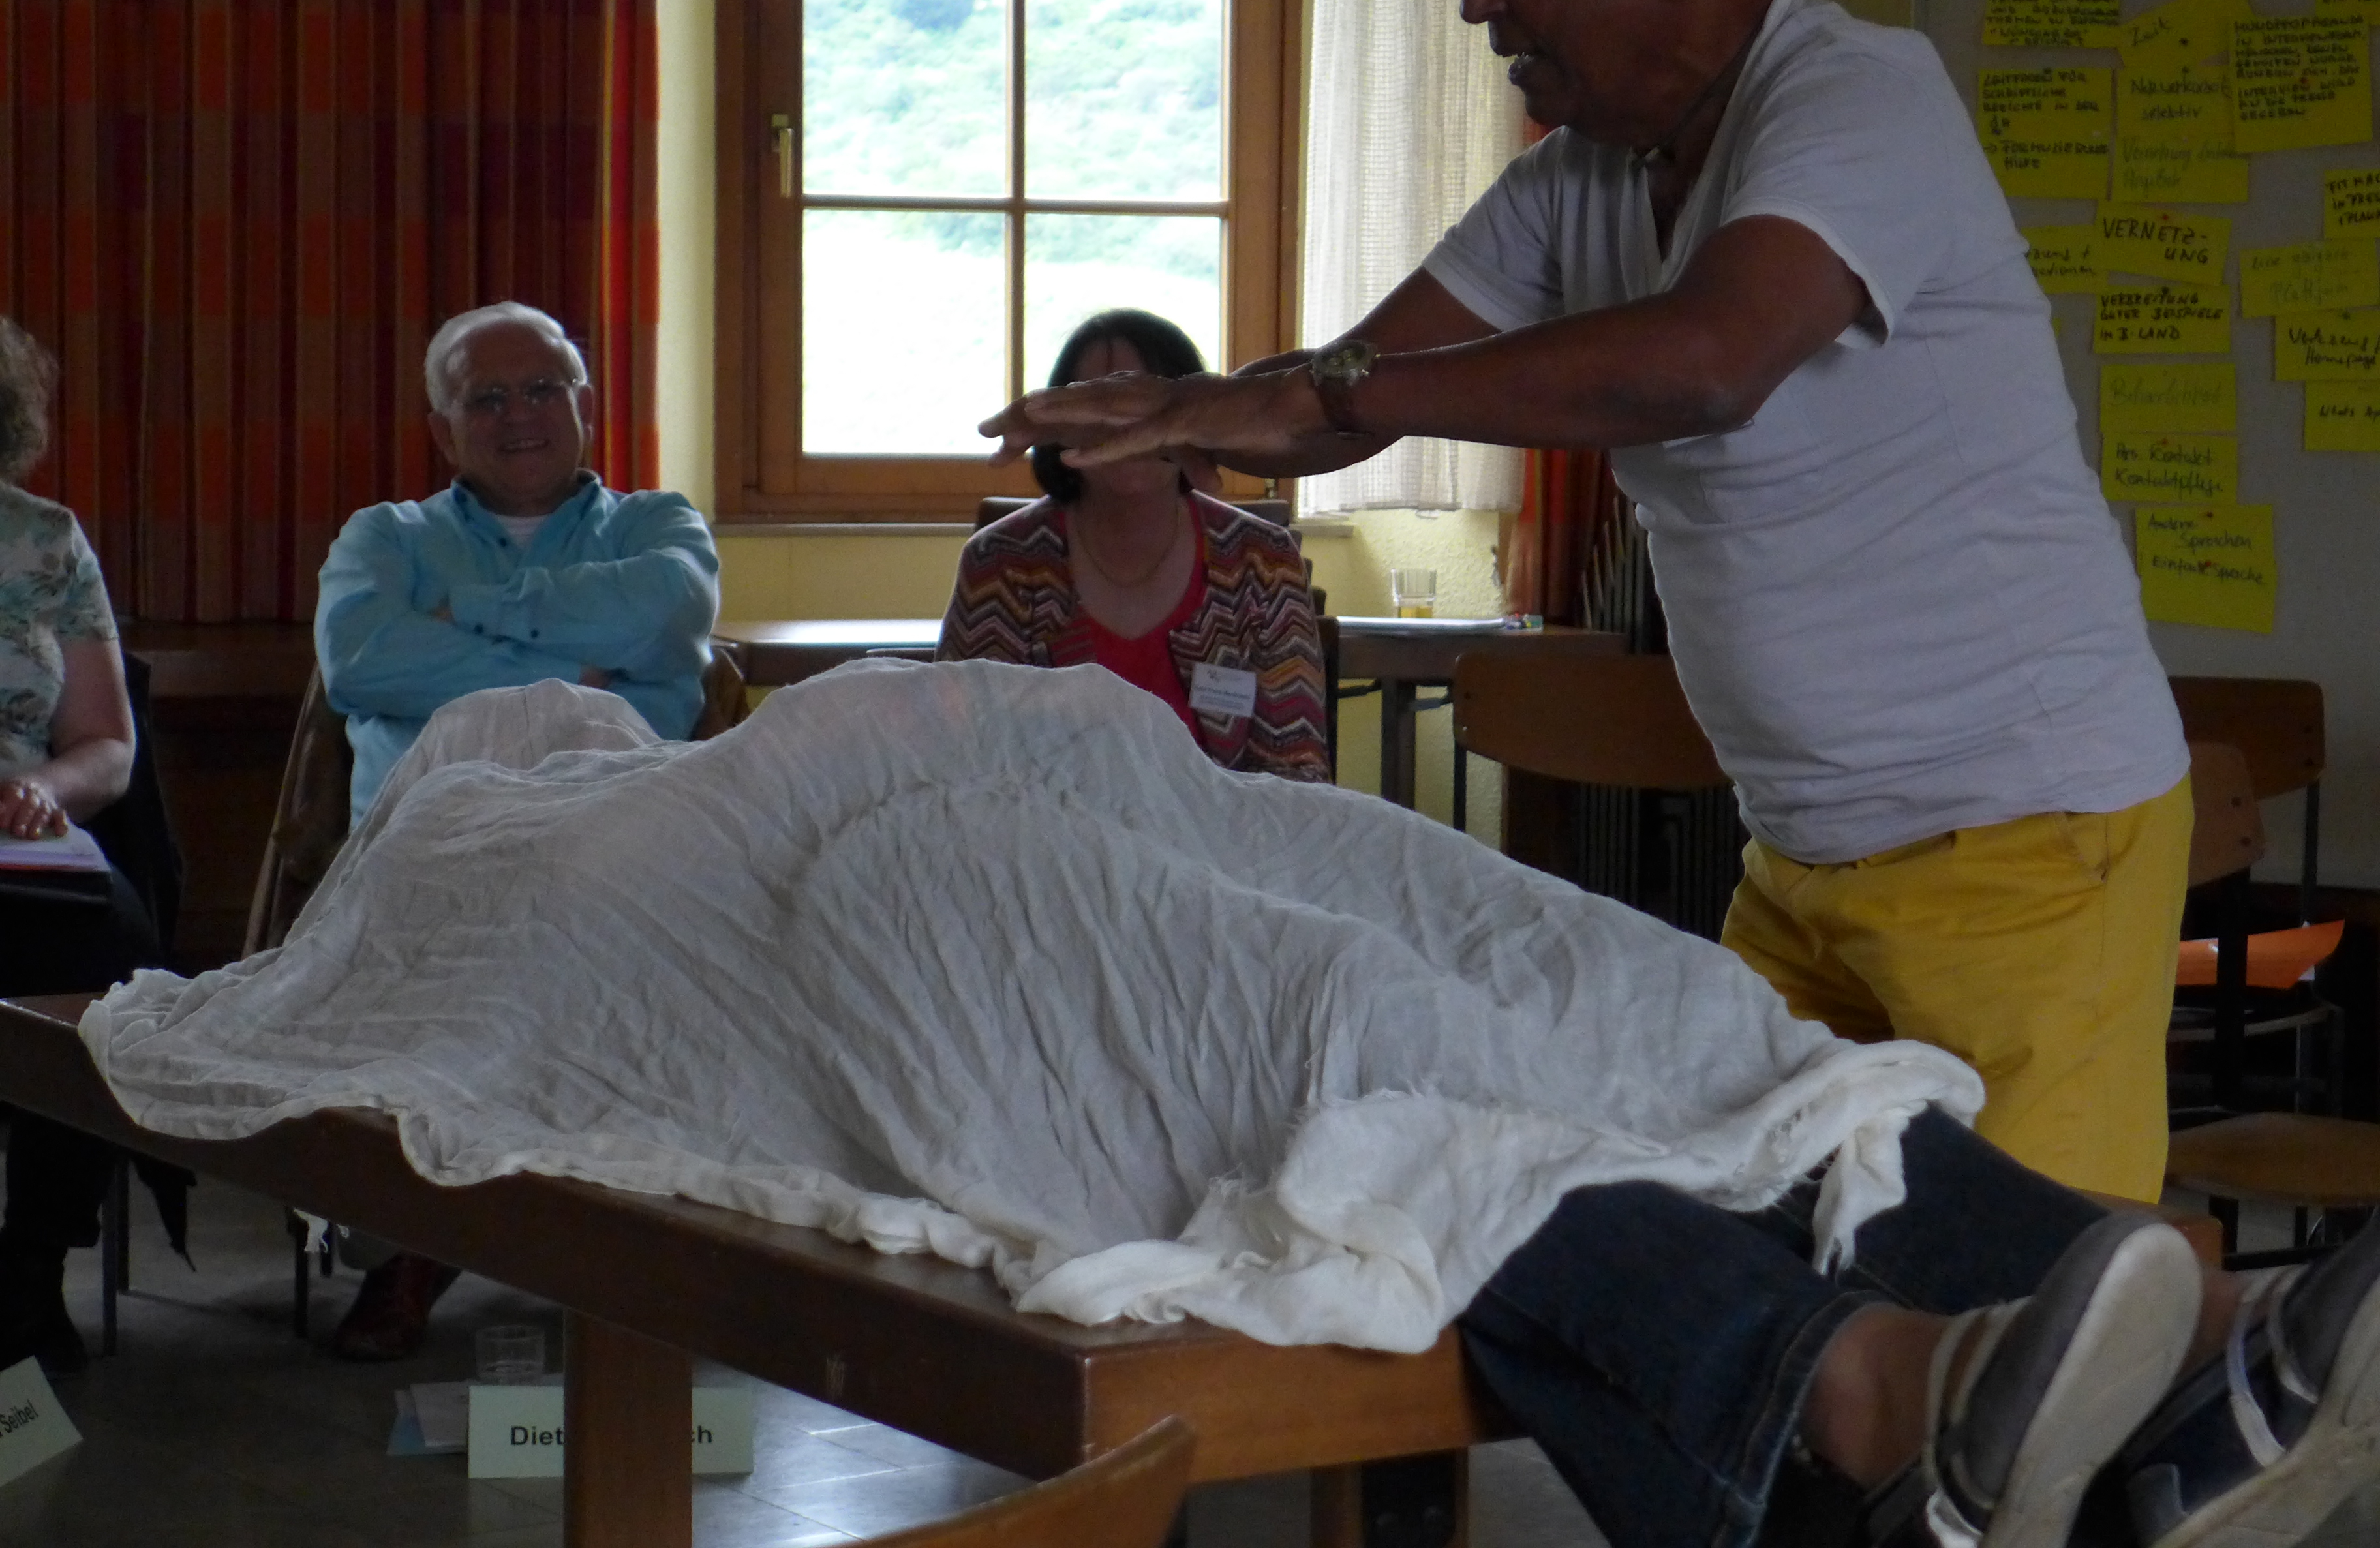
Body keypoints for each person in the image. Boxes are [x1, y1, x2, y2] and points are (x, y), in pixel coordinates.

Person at [80, 667, 2380, 1548]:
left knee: (1549, 965)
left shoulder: (697, 749)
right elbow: (472, 990)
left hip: (1071, 796)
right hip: (873, 919)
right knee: (1308, 1041)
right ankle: (1882, 1390)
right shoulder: (493, 843)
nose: (571, 721)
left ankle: (2133, 1357)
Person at [980, 0, 2191, 1204]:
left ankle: (2245, 1334)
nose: (1480, 1)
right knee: (1774, 1272)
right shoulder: (1583, 180)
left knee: (2038, 1296)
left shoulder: (1861, 97)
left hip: (2024, 838)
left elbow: (1705, 363)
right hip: (1804, 855)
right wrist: (1188, 416)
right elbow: (1342, 401)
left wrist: (1318, 392)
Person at [312, 300, 720, 1358]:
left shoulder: (658, 527)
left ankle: (602, 1230)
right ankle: (420, 1230)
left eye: (542, 388)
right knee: (455, 920)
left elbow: (664, 614)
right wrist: (578, 660)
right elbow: (362, 658)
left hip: (616, 834)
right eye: (485, 398)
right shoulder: (385, 537)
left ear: (585, 403)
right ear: (442, 430)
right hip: (431, 840)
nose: (519, 414)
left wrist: (473, 616)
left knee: (625, 913)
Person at [938, 309, 1330, 783]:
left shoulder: (1263, 561)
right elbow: (963, 764)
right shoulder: (1002, 562)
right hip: (1041, 827)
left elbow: (1297, 777)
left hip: (1224, 830)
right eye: (1098, 407)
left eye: (1146, 407)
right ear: (1056, 427)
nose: (1126, 432)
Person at [0, 317, 160, 1375]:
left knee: (112, 966)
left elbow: (105, 743)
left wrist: (41, 791)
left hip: (18, 839)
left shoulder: (46, 539)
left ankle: (29, 1265)